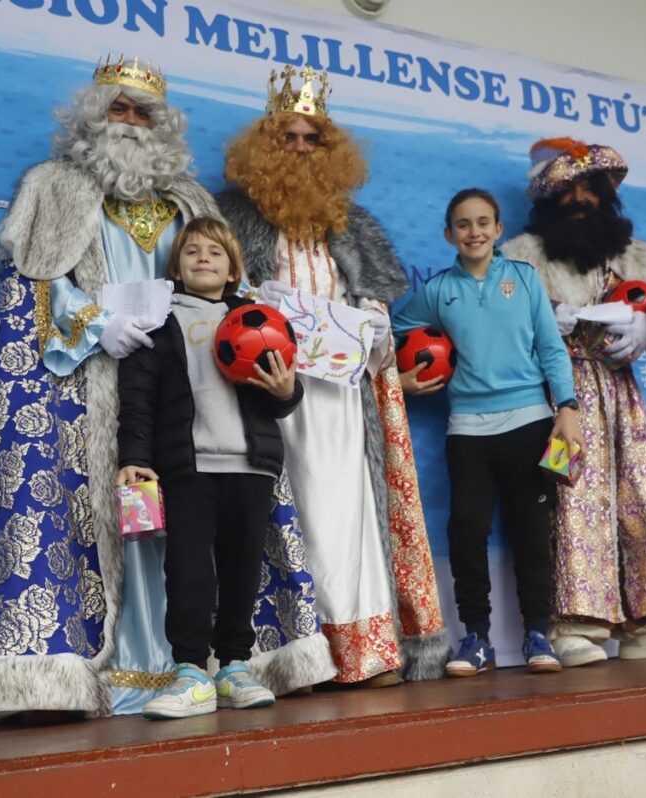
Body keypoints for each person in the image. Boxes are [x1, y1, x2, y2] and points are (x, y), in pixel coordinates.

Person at [0, 57, 333, 721]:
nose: (132, 122)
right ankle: (106, 673)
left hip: (198, 405)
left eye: (145, 113)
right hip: (91, 386)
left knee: (209, 544)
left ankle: (212, 667)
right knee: (122, 520)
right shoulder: (54, 187)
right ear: (93, 116)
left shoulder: (193, 202)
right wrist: (94, 324)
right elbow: (32, 290)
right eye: (120, 108)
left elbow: (239, 308)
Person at [217, 66, 449, 686]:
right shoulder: (232, 221)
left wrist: (372, 322)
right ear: (266, 147)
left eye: (311, 138)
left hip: (344, 396)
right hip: (269, 389)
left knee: (350, 514)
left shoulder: (353, 227)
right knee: (288, 514)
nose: (300, 149)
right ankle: (296, 653)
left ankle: (364, 650)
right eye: (287, 138)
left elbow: (375, 314)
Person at [502, 138, 646, 667]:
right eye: (567, 190)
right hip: (558, 397)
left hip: (622, 396)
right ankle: (574, 626)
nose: (580, 199)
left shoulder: (637, 258)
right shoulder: (520, 259)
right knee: (571, 500)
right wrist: (544, 319)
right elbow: (494, 326)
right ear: (547, 200)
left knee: (643, 499)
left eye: (589, 188)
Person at [116, 217, 303, 718]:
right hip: (187, 467)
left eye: (215, 252)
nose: (203, 258)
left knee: (243, 569)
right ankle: (192, 672)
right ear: (176, 267)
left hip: (252, 466)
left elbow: (285, 393)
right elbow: (137, 399)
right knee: (188, 570)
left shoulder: (258, 319)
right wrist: (135, 457)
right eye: (192, 251)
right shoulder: (156, 321)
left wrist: (287, 390)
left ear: (233, 269)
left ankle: (235, 667)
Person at [395, 188, 582, 675]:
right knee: (466, 531)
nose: (474, 231)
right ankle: (476, 640)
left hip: (529, 421)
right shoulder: (437, 290)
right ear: (448, 234)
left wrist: (567, 407)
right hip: (467, 430)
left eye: (483, 222)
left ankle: (538, 634)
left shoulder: (524, 278)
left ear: (498, 230)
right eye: (463, 224)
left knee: (531, 530)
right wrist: (399, 379)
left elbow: (551, 347)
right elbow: (391, 331)